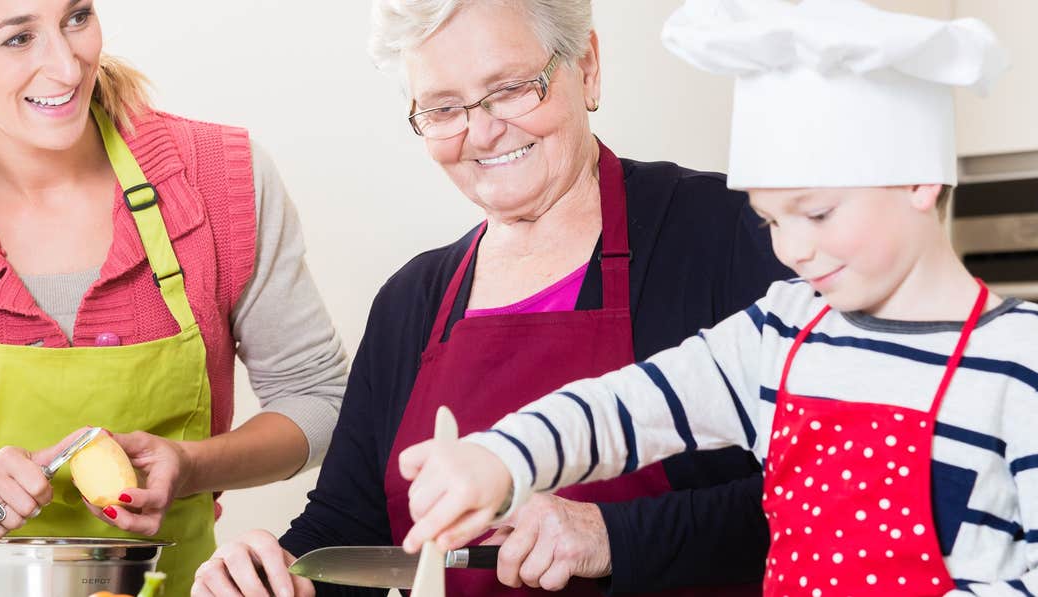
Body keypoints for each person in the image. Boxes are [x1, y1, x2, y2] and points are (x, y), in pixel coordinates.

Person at [397, 0, 1038, 595]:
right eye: (773, 219)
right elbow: (624, 408)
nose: (794, 249)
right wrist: (501, 458)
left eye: (816, 214)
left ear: (918, 180)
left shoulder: (1023, 355)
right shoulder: (782, 335)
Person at [193, 1, 789, 595]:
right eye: (444, 107)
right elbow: (352, 527)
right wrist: (272, 573)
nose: (481, 132)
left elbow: (837, 484)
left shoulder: (732, 233)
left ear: (586, 67)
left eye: (509, 89)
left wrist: (614, 535)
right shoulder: (411, 301)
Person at [0, 1, 349, 593]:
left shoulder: (220, 179)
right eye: (18, 39)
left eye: (77, 17)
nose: (67, 66)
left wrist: (194, 466)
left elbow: (318, 398)